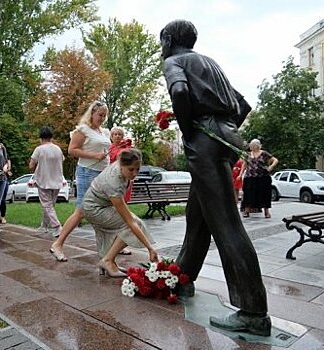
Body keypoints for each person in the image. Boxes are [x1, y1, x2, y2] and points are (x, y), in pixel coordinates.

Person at [160, 20, 271, 336]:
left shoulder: (174, 61)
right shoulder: (210, 63)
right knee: (198, 217)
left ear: (168, 39)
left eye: (162, 41)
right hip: (227, 138)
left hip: (206, 141)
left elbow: (179, 91)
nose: (161, 47)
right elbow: (243, 104)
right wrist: (224, 126)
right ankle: (182, 277)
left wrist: (189, 128)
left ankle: (253, 310)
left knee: (226, 223)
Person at [49, 101, 111, 262]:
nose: (103, 118)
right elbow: (72, 150)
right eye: (100, 115)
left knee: (101, 210)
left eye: (105, 115)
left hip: (102, 174)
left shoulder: (103, 132)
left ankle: (106, 252)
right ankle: (58, 244)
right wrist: (95, 156)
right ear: (92, 113)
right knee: (81, 211)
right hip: (87, 172)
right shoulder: (83, 130)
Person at [82, 148, 158, 277]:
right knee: (133, 225)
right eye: (131, 170)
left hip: (98, 204)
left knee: (119, 230)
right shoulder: (114, 183)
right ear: (122, 165)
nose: (134, 174)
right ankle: (107, 260)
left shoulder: (120, 165)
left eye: (137, 169)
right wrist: (149, 248)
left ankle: (108, 262)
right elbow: (130, 221)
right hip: (94, 209)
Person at [29, 126, 65, 237]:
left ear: (41, 138)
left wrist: (35, 169)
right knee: (49, 205)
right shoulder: (58, 149)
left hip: (44, 181)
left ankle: (57, 226)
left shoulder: (39, 149)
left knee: (47, 206)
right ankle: (44, 226)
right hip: (57, 180)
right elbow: (62, 160)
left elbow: (31, 164)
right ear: (51, 137)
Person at [108, 126, 133, 254]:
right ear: (111, 137)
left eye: (119, 134)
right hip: (113, 184)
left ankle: (120, 244)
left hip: (125, 183)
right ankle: (112, 243)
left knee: (123, 215)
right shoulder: (109, 149)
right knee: (115, 215)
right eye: (115, 134)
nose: (117, 136)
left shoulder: (127, 149)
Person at [241, 139, 278, 219]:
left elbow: (275, 160)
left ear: (257, 146)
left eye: (253, 145)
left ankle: (266, 211)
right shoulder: (247, 154)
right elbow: (244, 164)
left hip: (263, 177)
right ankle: (246, 210)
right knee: (248, 194)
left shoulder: (264, 153)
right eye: (251, 145)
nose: (251, 147)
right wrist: (240, 175)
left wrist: (271, 167)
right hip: (250, 177)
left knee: (265, 194)